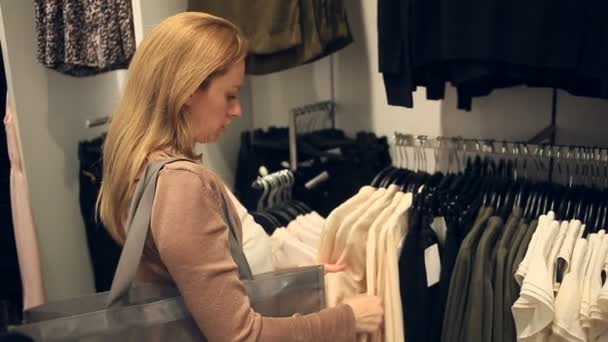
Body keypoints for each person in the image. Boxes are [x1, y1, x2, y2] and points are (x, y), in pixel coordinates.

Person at [98, 12, 383, 342]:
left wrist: (300, 279)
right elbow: (241, 336)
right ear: (189, 89)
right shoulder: (180, 184)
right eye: (230, 95)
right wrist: (348, 318)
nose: (237, 111)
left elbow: (197, 288)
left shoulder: (145, 168)